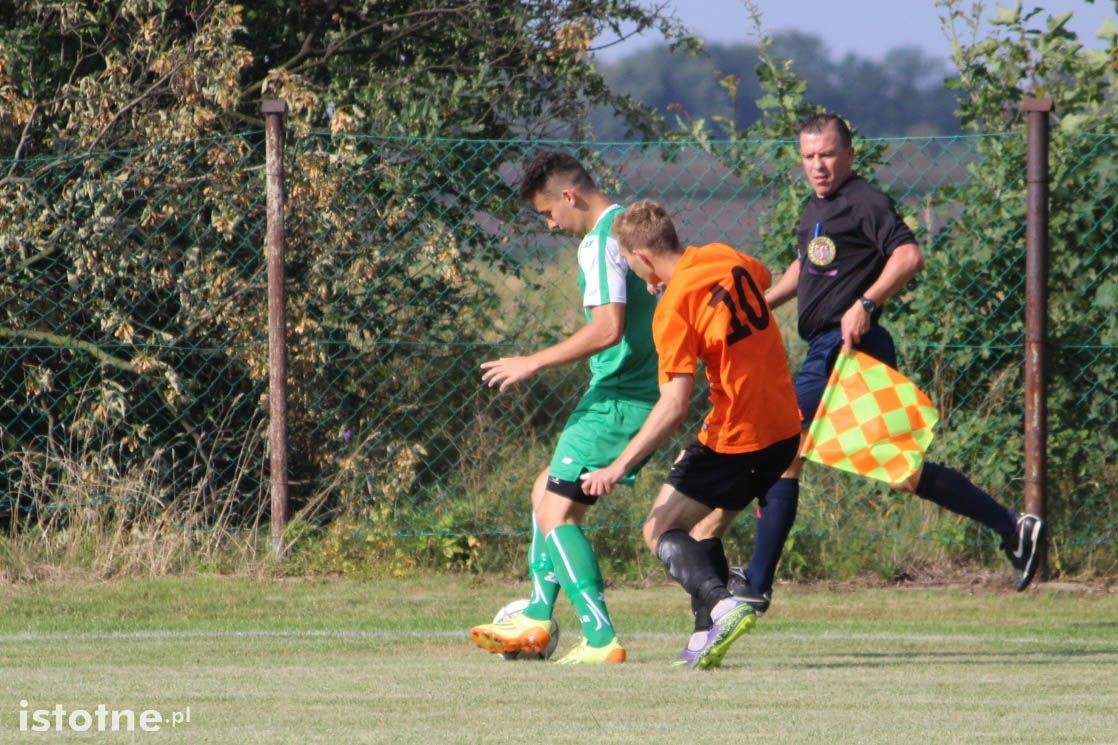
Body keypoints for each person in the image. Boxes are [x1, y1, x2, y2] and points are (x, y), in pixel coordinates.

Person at [718, 113, 1044, 615]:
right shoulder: (814, 210)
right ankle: (1012, 527)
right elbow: (804, 268)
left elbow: (908, 256)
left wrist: (865, 304)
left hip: (846, 349)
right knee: (901, 469)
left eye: (827, 154)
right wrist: (752, 305)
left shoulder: (864, 200)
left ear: (849, 155)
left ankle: (756, 582)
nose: (818, 165)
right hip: (831, 351)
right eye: (809, 157)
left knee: (784, 438)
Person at [581, 199, 802, 670]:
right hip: (785, 428)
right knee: (704, 529)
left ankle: (722, 605)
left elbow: (674, 404)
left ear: (641, 257)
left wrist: (619, 466)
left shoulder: (673, 307)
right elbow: (761, 281)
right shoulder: (724, 255)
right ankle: (706, 636)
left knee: (658, 528)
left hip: (738, 436)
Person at [468, 151, 659, 664]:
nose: (551, 225)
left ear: (570, 197)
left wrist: (533, 361)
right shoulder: (635, 228)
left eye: (549, 214)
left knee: (556, 512)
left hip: (621, 396)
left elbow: (607, 328)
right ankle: (536, 614)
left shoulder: (601, 243)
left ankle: (600, 640)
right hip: (636, 390)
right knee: (545, 491)